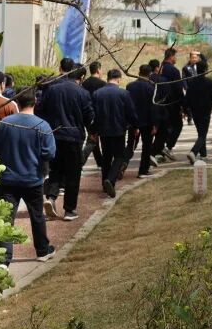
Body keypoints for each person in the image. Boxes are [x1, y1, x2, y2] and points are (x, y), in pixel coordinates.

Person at [0, 88, 57, 263]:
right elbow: (49, 153)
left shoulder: (5, 123)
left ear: (17, 102)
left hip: (8, 178)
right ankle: (42, 250)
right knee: (37, 216)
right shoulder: (42, 125)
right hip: (33, 178)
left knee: (6, 218)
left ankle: (4, 258)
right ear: (35, 101)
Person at [37, 58, 94, 221]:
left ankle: (51, 197)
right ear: (81, 77)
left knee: (55, 170)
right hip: (74, 137)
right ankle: (69, 210)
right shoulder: (82, 92)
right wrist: (90, 129)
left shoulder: (52, 89)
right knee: (73, 173)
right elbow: (89, 116)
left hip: (54, 135)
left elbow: (40, 109)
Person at [91, 68, 139, 197]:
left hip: (103, 130)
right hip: (119, 129)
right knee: (119, 156)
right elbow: (131, 112)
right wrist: (135, 126)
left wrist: (93, 131)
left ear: (108, 78)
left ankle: (105, 184)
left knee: (106, 157)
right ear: (118, 79)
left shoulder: (97, 94)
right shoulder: (124, 93)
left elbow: (93, 114)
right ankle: (110, 179)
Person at [185, 57, 212, 163]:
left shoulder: (191, 82)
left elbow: (187, 97)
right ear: (206, 70)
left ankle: (203, 155)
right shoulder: (210, 82)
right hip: (205, 111)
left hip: (194, 111)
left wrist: (185, 109)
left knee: (200, 132)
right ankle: (193, 152)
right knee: (203, 134)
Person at [127, 64, 158, 177]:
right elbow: (153, 107)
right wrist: (155, 124)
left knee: (130, 144)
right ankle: (143, 170)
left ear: (139, 72)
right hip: (147, 121)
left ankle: (123, 163)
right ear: (150, 74)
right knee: (147, 146)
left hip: (133, 120)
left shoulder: (130, 86)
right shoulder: (151, 87)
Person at [157, 48, 185, 158]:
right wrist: (183, 104)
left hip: (159, 102)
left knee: (164, 127)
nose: (176, 58)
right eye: (175, 56)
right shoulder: (174, 70)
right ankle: (168, 147)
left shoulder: (159, 68)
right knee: (178, 125)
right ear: (171, 56)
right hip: (172, 103)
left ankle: (159, 149)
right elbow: (178, 89)